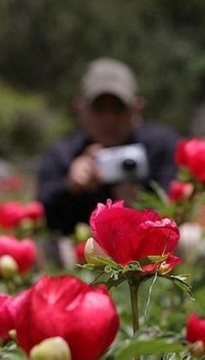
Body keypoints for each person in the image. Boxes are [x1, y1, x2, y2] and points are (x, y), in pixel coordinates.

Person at [36, 57, 179, 236]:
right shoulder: (62, 155)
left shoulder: (160, 146)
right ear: (80, 109)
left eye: (119, 108)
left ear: (137, 108)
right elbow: (42, 216)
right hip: (81, 252)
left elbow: (178, 207)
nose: (109, 119)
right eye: (99, 108)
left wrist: (142, 206)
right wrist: (70, 187)